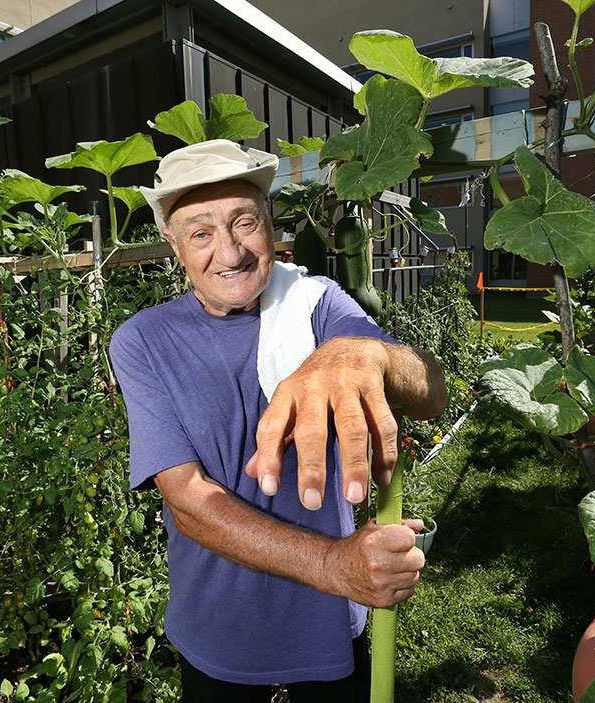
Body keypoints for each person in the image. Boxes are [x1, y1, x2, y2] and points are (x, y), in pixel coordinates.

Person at [108, 139, 447, 702]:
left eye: (244, 223)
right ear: (173, 243)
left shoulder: (316, 304)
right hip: (221, 630)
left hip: (327, 624)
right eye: (200, 233)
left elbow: (431, 394)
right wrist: (336, 565)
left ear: (269, 224)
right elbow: (187, 499)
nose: (230, 252)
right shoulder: (142, 341)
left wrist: (368, 354)